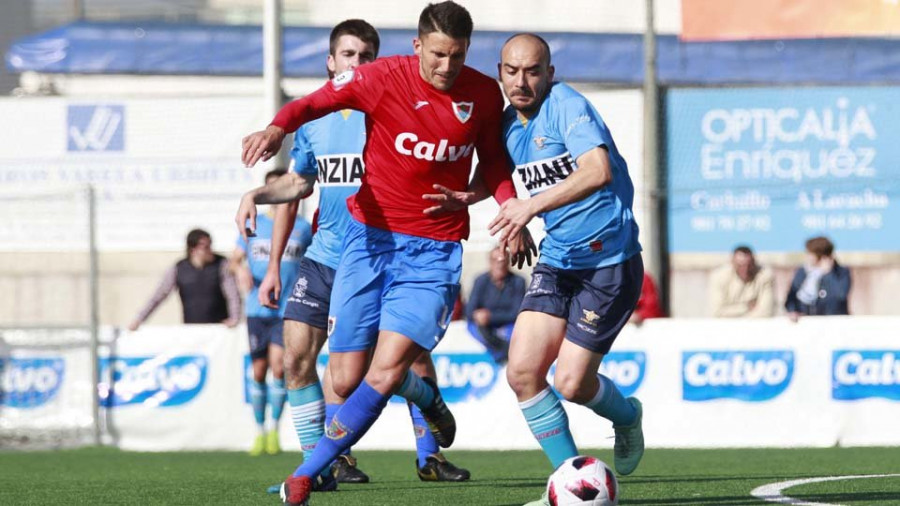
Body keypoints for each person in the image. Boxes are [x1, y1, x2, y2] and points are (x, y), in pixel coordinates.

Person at [237, 6, 522, 499]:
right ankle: (423, 396)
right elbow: (311, 105)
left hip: (433, 251)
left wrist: (509, 206)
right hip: (368, 245)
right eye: (437, 55)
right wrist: (277, 128)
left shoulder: (480, 94)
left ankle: (306, 475)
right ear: (416, 47)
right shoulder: (379, 79)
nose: (446, 67)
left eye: (456, 56)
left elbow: (493, 161)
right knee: (345, 379)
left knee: (386, 367)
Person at [456, 33, 644, 505]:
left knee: (572, 384)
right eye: (513, 71)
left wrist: (528, 208)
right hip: (558, 259)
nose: (522, 81)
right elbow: (497, 175)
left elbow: (597, 169)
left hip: (609, 262)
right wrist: (472, 196)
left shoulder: (567, 105)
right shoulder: (505, 125)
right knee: (521, 373)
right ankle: (570, 484)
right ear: (500, 73)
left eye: (533, 71)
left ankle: (626, 417)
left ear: (549, 74)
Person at [231, 168, 312, 456]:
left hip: (287, 307)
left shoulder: (302, 227)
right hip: (256, 308)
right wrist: (239, 269)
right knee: (258, 370)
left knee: (279, 366)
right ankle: (258, 430)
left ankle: (274, 431)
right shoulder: (255, 224)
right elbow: (235, 259)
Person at [128, 229, 240, 331]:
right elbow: (158, 296)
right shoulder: (179, 268)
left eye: (210, 245)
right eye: (205, 247)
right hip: (190, 330)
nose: (210, 250)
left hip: (218, 331)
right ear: (193, 250)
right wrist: (139, 319)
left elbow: (232, 294)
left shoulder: (222, 265)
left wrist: (234, 318)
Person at [465, 245, 526, 364]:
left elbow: (518, 312)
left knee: (518, 331)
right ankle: (503, 353)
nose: (499, 264)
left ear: (508, 262)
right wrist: (478, 316)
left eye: (503, 260)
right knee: (473, 328)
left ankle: (502, 354)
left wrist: (490, 317)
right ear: (490, 262)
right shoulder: (480, 281)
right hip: (484, 327)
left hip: (507, 324)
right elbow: (469, 310)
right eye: (495, 260)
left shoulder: (518, 282)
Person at [785, 236, 851, 321]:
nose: (807, 257)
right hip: (806, 321)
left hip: (833, 322)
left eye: (810, 254)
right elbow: (791, 298)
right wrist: (793, 311)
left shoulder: (841, 272)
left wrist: (828, 275)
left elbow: (840, 296)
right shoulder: (803, 272)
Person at [708, 245, 775, 318]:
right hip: (726, 327)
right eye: (740, 265)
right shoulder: (719, 277)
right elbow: (717, 312)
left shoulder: (764, 275)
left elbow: (766, 312)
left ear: (754, 262)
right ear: (732, 262)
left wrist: (740, 320)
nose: (745, 269)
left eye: (748, 265)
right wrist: (745, 307)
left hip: (755, 327)